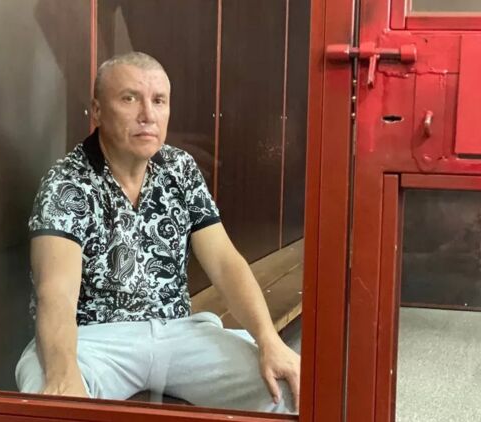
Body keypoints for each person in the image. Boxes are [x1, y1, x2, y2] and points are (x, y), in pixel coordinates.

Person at [15, 52, 299, 414]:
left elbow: (225, 263)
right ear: (98, 111)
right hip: (96, 341)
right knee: (48, 396)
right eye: (129, 99)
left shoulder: (179, 169)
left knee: (286, 388)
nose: (147, 115)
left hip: (177, 332)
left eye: (159, 101)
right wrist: (62, 374)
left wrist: (269, 340)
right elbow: (55, 291)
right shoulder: (68, 182)